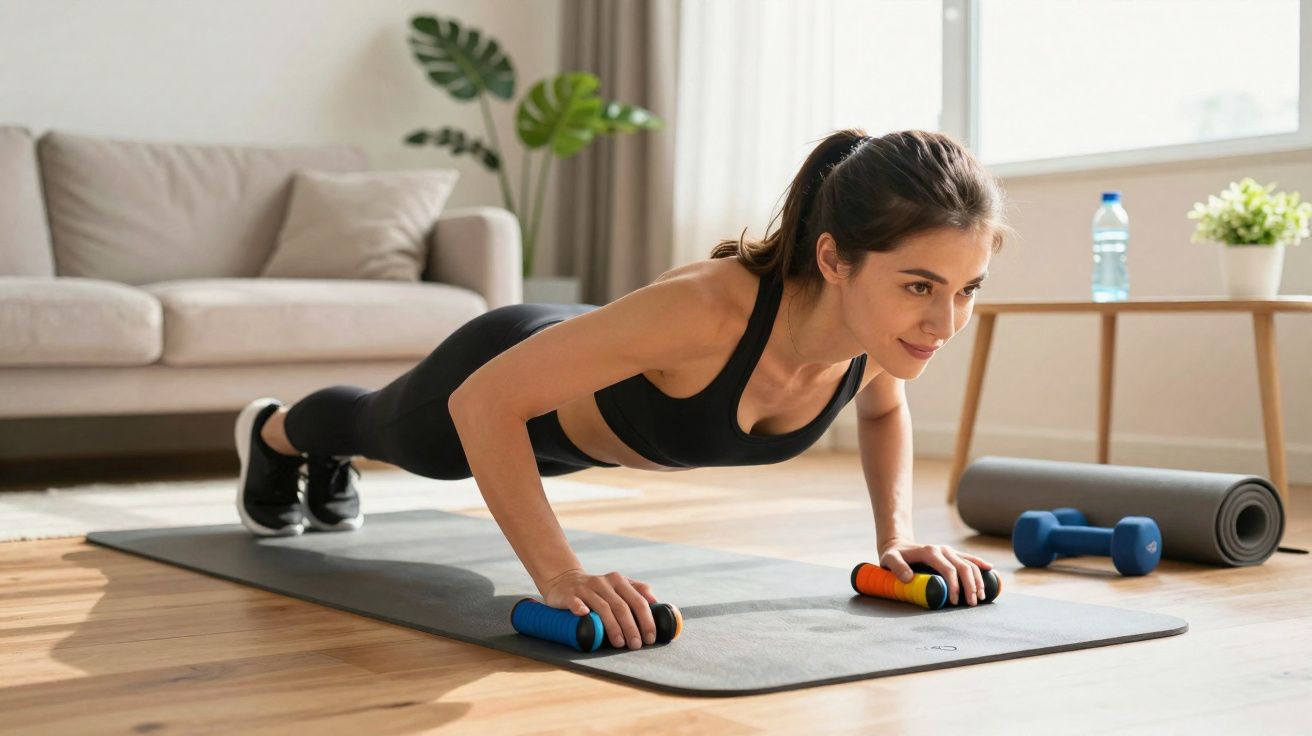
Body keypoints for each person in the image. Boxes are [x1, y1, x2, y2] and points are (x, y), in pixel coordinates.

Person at [233, 128, 1012, 653]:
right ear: (835, 258)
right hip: (512, 370)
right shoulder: (709, 310)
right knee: (388, 432)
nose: (944, 322)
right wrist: (562, 578)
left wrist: (894, 538)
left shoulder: (879, 339)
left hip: (593, 400)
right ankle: (272, 433)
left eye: (966, 289)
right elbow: (484, 404)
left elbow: (880, 406)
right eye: (919, 285)